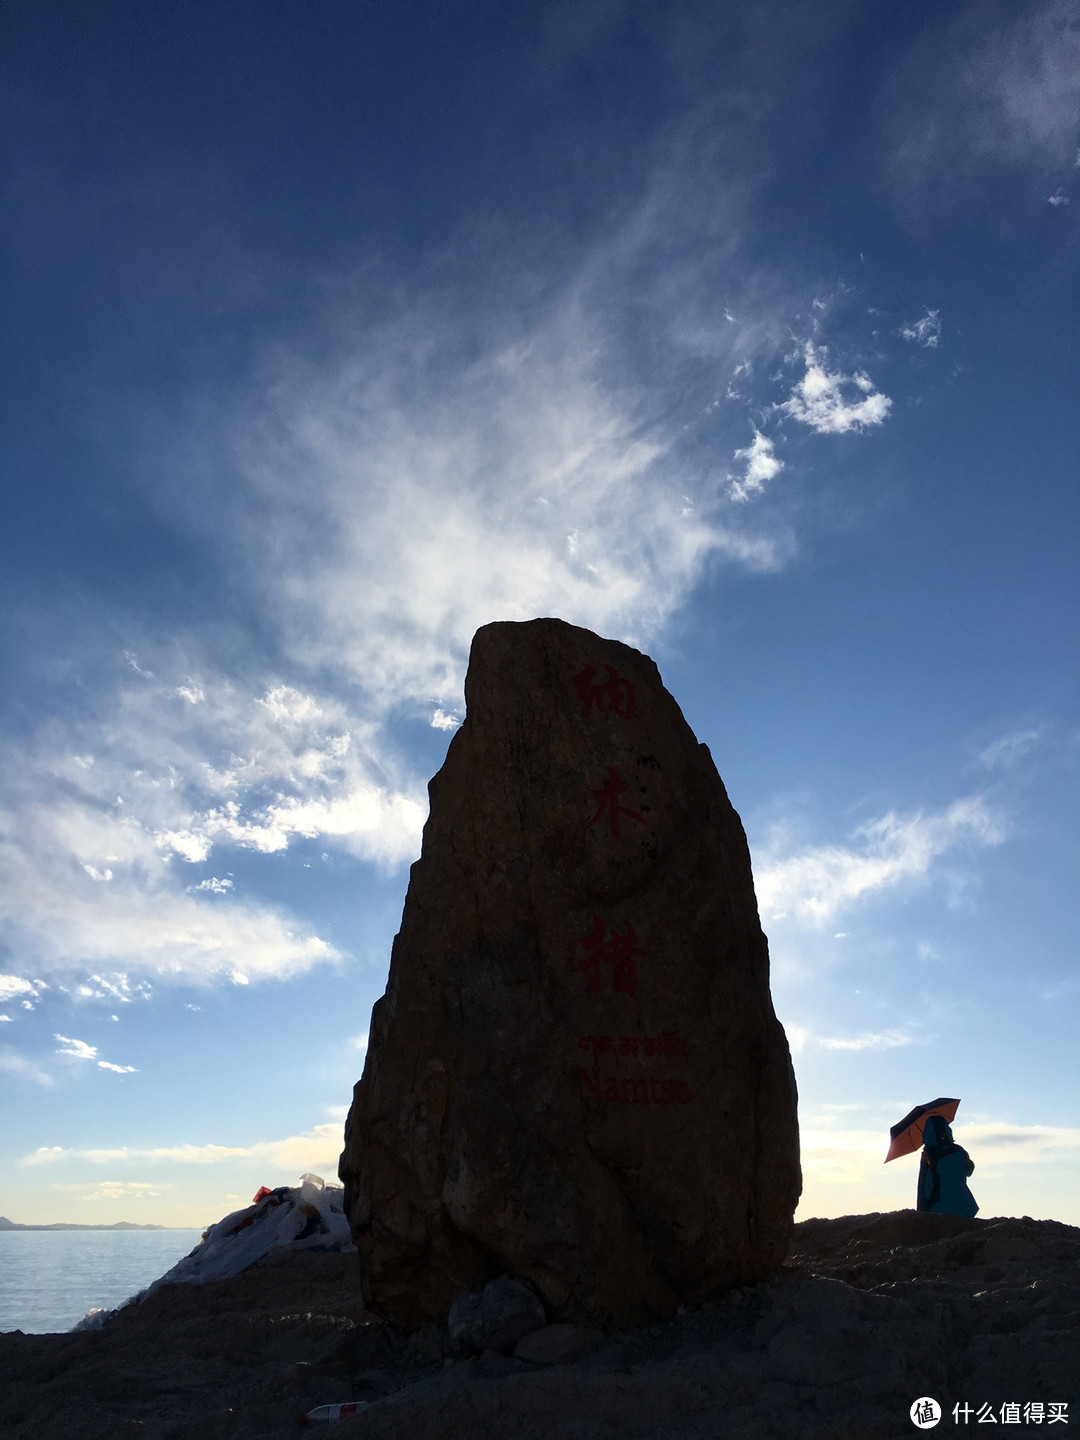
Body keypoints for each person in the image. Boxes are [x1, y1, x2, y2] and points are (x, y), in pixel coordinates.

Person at [917, 1114, 978, 1217]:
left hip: (941, 1209)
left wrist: (921, 1212)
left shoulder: (928, 1155)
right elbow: (969, 1170)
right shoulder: (959, 1150)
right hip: (965, 1207)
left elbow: (925, 1187)